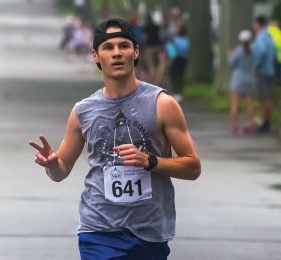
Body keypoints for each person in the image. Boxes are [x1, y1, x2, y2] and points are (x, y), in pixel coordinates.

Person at [28, 18, 201, 259]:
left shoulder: (162, 104)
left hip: (149, 231)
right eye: (108, 48)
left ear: (136, 52)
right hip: (98, 229)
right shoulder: (83, 111)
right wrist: (52, 164)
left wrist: (151, 161)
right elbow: (61, 171)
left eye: (124, 46)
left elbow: (192, 166)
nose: (117, 53)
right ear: (96, 56)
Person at [228, 30, 257, 136]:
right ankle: (252, 125)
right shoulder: (254, 50)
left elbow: (232, 63)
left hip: (238, 78)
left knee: (234, 103)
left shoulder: (237, 51)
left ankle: (234, 126)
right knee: (249, 103)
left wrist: (229, 56)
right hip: (250, 78)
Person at [252, 15, 276, 133]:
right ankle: (268, 121)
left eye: (254, 24)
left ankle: (265, 123)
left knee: (263, 99)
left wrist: (255, 65)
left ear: (258, 24)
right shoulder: (269, 36)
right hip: (270, 70)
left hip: (262, 71)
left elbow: (260, 52)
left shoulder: (260, 37)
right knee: (268, 98)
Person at [165, 25, 189, 103]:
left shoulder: (179, 40)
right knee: (176, 75)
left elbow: (171, 48)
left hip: (178, 59)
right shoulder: (183, 39)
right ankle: (177, 93)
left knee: (176, 75)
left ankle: (176, 93)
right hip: (179, 59)